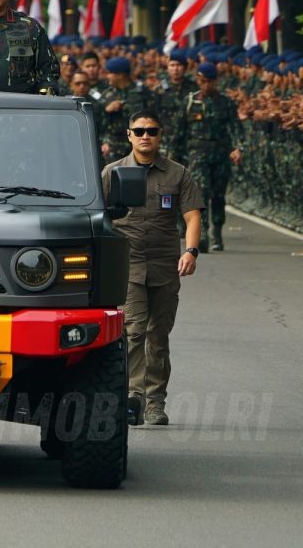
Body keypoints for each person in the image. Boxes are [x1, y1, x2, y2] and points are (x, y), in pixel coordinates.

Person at [102, 111, 203, 427]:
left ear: (160, 135)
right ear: (129, 135)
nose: (145, 136)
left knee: (158, 337)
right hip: (128, 264)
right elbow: (97, 216)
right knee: (133, 331)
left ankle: (155, 403)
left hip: (164, 264)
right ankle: (133, 398)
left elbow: (192, 216)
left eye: (152, 131)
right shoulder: (112, 173)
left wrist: (191, 251)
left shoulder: (177, 174)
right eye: (139, 131)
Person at [176, 62, 242, 252]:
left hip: (220, 154)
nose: (205, 85)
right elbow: (180, 132)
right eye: (202, 81)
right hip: (198, 154)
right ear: (198, 80)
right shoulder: (190, 102)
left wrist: (238, 148)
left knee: (218, 194)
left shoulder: (226, 103)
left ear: (216, 81)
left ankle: (217, 231)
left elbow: (236, 128)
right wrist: (174, 157)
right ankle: (202, 232)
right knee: (201, 192)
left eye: (209, 81)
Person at [99, 56, 151, 162]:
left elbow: (152, 117)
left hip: (138, 144)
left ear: (120, 75)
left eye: (110, 73)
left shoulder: (142, 93)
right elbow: (99, 123)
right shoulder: (107, 94)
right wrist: (106, 111)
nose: (107, 76)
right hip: (114, 147)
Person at [153, 51, 197, 162]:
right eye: (172, 65)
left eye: (179, 65)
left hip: (188, 138)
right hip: (166, 139)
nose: (175, 69)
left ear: (185, 68)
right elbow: (155, 114)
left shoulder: (194, 88)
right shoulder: (160, 90)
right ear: (167, 68)